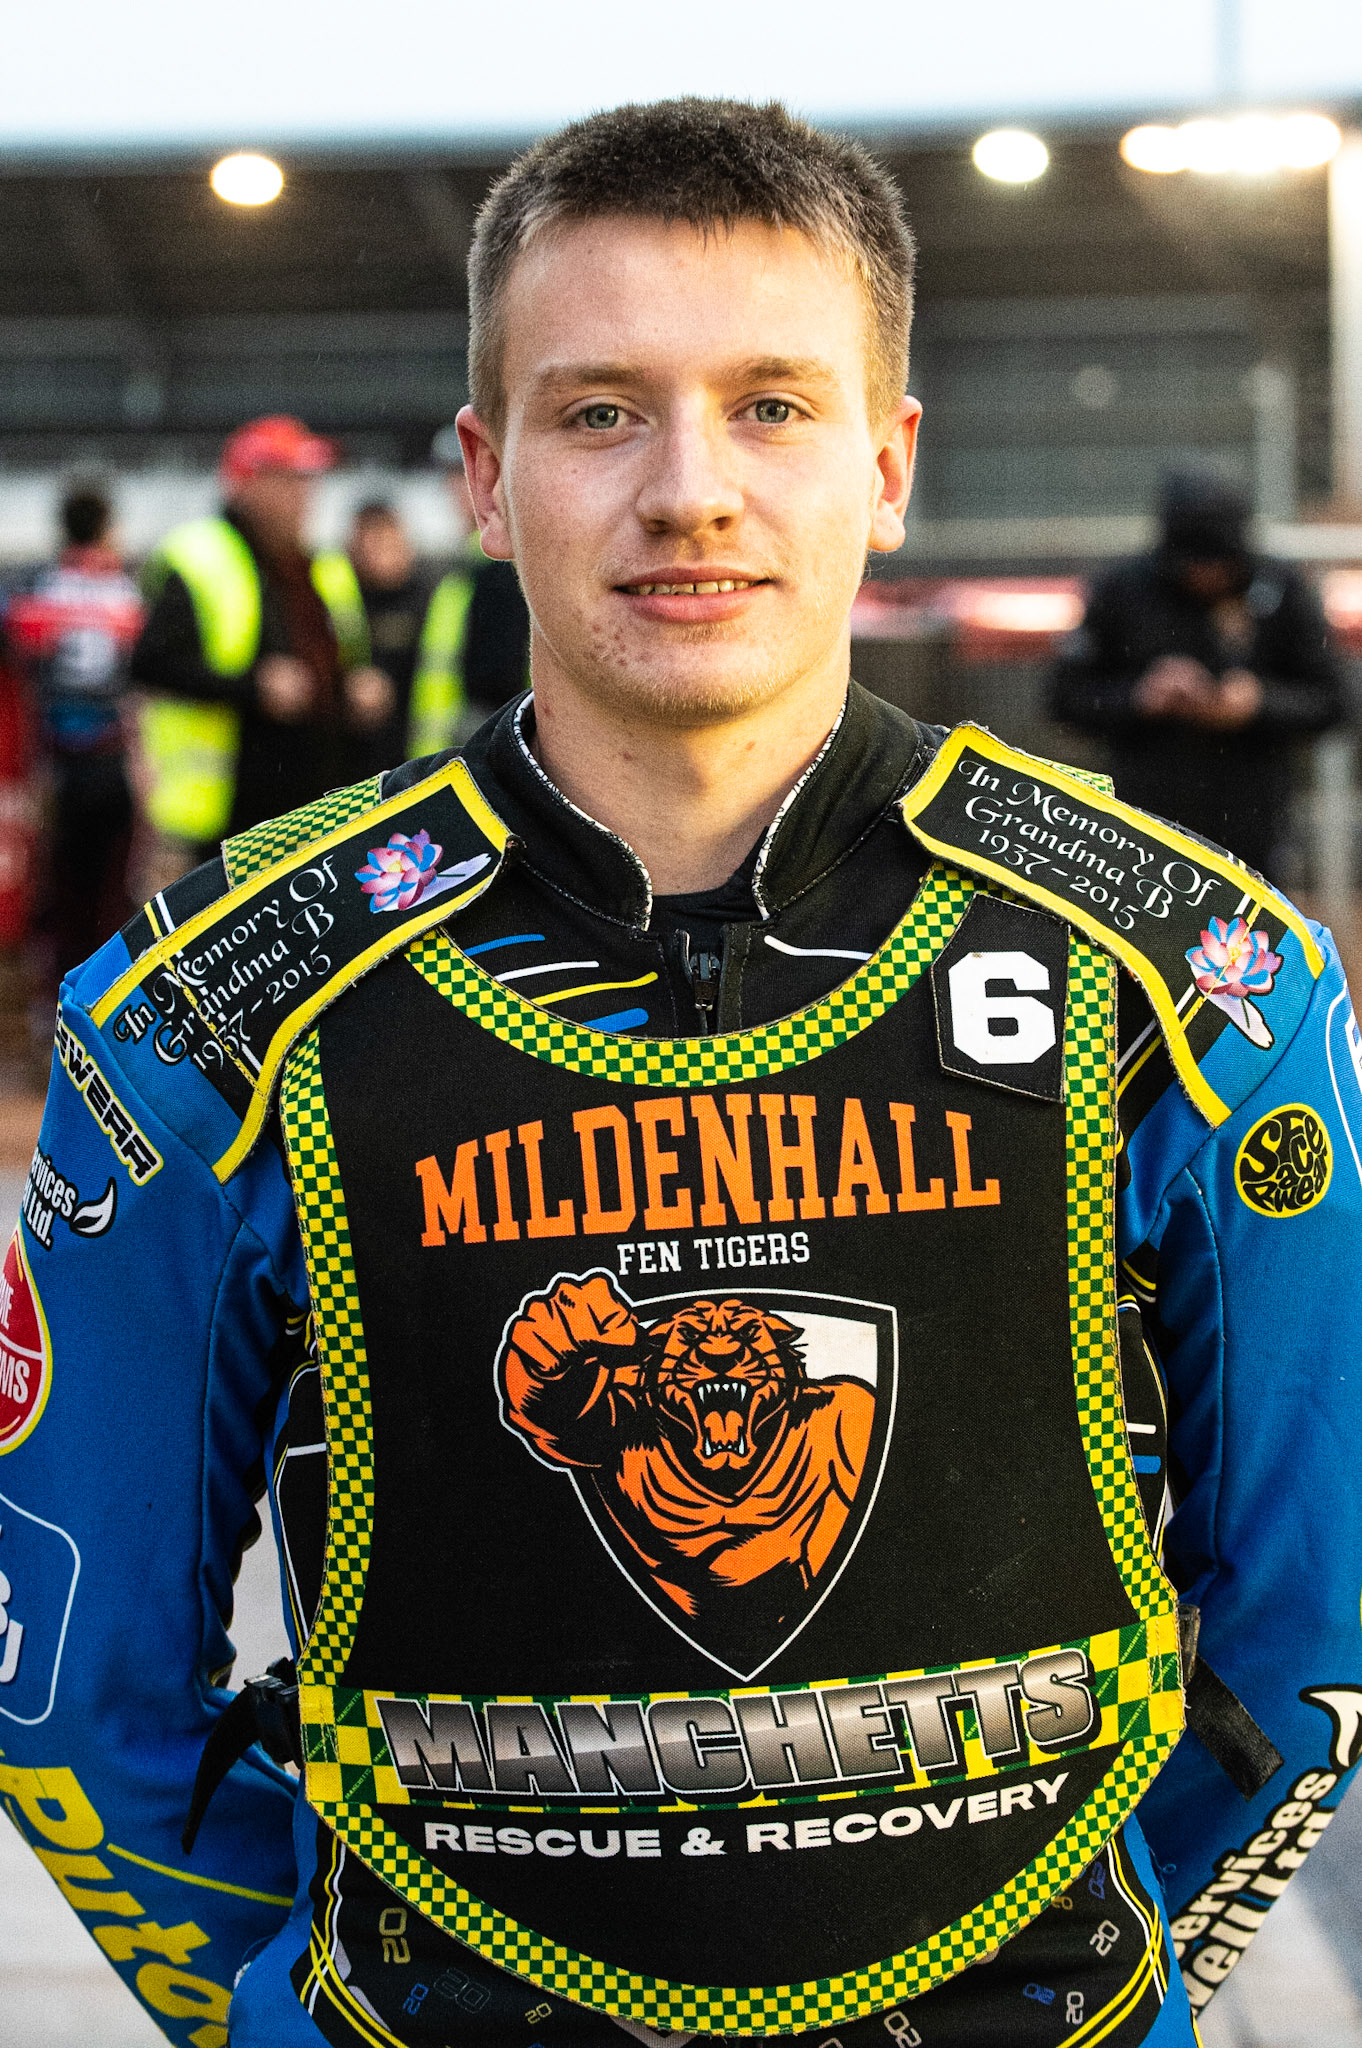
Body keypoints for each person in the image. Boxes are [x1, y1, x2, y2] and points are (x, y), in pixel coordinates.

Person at [4, 99, 1362, 2048]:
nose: (689, 491)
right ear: (486, 477)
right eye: (599, 411)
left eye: (772, 405)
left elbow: (1319, 1622)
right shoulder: (212, 1013)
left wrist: (1118, 1983)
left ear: (889, 464)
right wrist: (286, 2016)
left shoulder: (1193, 980)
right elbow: (70, 1685)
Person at [128, 415, 395, 878]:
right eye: (287, 480)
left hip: (316, 803)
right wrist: (253, 688)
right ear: (245, 484)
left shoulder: (323, 564)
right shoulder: (198, 556)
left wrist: (359, 684)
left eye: (307, 480)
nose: (303, 495)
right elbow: (151, 665)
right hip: (227, 816)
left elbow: (347, 658)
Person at [1049, 468, 1345, 882]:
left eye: (1218, 562)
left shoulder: (1279, 587)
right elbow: (1064, 698)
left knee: (1247, 922)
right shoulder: (1122, 588)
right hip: (1142, 825)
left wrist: (1258, 703)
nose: (1206, 575)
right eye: (1193, 562)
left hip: (1251, 819)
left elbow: (1334, 702)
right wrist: (1140, 697)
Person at [4, 482, 143, 988]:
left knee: (60, 884)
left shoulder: (39, 587)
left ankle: (56, 991)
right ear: (105, 528)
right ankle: (104, 987)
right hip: (110, 757)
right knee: (112, 885)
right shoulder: (127, 591)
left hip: (57, 760)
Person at [340, 499, 433, 781]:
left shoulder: (431, 598)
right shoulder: (342, 598)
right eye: (369, 541)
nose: (377, 553)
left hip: (415, 753)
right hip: (350, 759)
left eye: (386, 540)